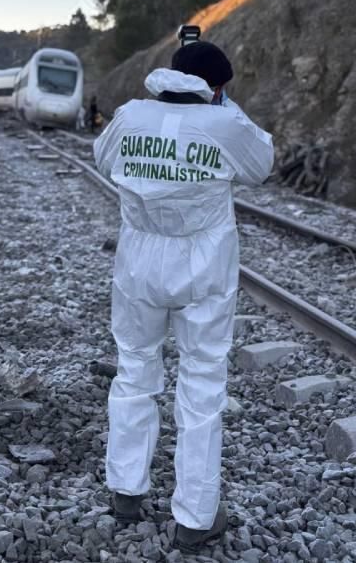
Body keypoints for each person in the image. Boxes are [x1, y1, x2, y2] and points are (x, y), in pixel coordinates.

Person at [92, 41, 273, 552]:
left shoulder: (129, 117)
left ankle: (125, 490)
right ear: (216, 89)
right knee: (202, 382)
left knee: (134, 370)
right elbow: (262, 164)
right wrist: (225, 108)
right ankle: (194, 517)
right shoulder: (226, 123)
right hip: (204, 268)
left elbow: (102, 159)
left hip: (139, 263)